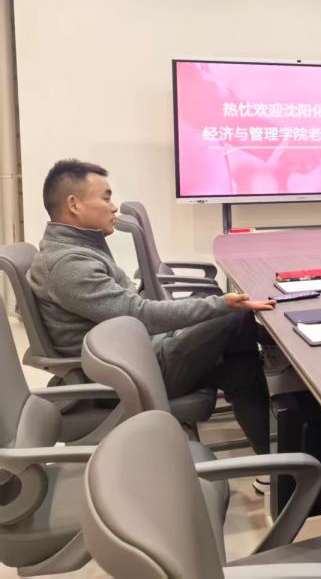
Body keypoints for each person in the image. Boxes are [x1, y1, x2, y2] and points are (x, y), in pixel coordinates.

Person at [28, 159, 277, 459]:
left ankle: (273, 465)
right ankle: (284, 356)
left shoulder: (78, 248)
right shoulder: (69, 264)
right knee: (233, 319)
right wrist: (220, 304)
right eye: (106, 198)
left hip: (133, 356)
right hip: (127, 373)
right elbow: (139, 315)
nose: (113, 207)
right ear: (74, 204)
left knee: (238, 366)